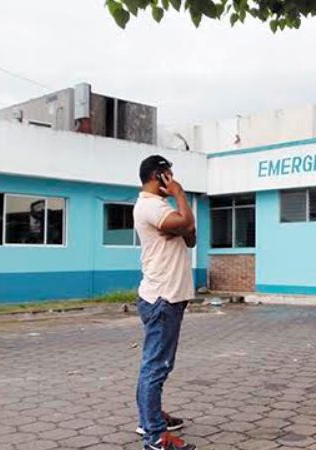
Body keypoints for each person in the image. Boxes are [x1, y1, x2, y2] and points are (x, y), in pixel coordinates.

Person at [133, 155, 197, 450]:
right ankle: (155, 436)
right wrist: (180, 195)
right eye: (168, 173)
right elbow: (186, 223)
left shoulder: (161, 206)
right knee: (155, 367)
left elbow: (191, 236)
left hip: (168, 295)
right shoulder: (150, 205)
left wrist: (182, 223)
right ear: (158, 176)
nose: (173, 178)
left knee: (158, 365)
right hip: (162, 297)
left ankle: (152, 417)